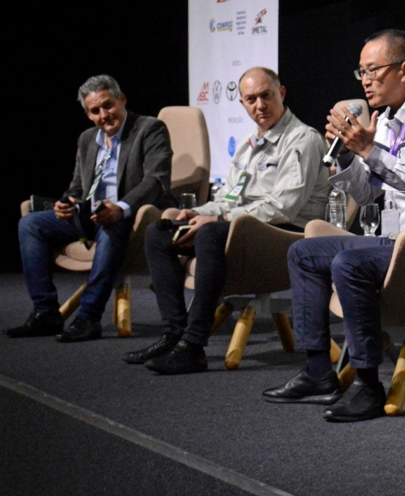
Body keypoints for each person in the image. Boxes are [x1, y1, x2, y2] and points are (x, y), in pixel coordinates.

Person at [270, 29, 405, 421]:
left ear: (404, 69)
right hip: (399, 243)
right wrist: (350, 157)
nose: (365, 80)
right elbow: (369, 194)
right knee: (303, 251)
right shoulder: (384, 122)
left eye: (373, 70)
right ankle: (318, 371)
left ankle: (367, 384)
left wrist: (368, 148)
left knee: (349, 264)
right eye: (361, 72)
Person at [128, 67, 329, 375]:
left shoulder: (303, 139)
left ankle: (194, 344)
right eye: (251, 99)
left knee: (210, 234)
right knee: (159, 232)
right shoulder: (249, 142)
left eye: (266, 96)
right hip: (241, 228)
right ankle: (174, 335)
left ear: (282, 93)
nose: (259, 105)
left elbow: (284, 207)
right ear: (243, 103)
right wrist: (200, 212)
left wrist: (218, 218)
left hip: (286, 235)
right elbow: (230, 197)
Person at [9, 76, 174, 343]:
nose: (103, 115)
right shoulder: (87, 139)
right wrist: (67, 203)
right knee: (30, 223)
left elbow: (156, 180)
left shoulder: (149, 128)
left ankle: (88, 316)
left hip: (133, 218)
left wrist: (120, 208)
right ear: (87, 114)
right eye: (95, 111)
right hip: (91, 214)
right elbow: (77, 187)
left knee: (111, 222)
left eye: (107, 106)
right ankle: (46, 312)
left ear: (122, 100)